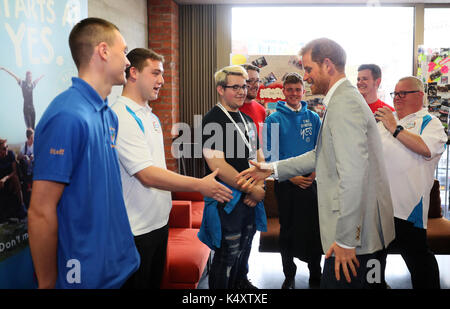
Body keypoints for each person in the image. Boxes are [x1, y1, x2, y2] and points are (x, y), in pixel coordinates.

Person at [237, 38, 395, 289]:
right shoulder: (340, 100)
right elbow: (320, 155)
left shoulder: (344, 104)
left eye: (309, 69)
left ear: (328, 65)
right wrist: (271, 169)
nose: (306, 77)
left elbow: (354, 176)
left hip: (351, 240)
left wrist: (345, 240)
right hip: (353, 235)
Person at [28, 17, 140, 289]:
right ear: (103, 51)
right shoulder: (67, 115)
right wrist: (46, 283)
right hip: (83, 276)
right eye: (123, 51)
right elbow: (40, 211)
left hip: (118, 265)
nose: (127, 61)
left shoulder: (106, 115)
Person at [111, 48, 232, 289]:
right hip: (135, 231)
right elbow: (146, 174)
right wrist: (199, 184)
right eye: (155, 73)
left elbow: (158, 170)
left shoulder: (151, 117)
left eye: (162, 74)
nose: (162, 80)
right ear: (133, 73)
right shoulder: (121, 115)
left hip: (158, 224)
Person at [375, 76, 447, 289]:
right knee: (374, 259)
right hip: (379, 206)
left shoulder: (430, 122)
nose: (397, 98)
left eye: (403, 93)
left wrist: (395, 128)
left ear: (420, 96)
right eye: (395, 93)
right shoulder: (385, 122)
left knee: (419, 261)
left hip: (408, 210)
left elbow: (426, 148)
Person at [200, 65, 267, 289]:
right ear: (220, 89)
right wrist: (252, 189)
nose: (242, 91)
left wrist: (259, 186)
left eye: (244, 86)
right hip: (227, 199)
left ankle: (240, 285)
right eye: (235, 87)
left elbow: (259, 158)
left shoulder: (247, 120)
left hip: (249, 198)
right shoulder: (212, 120)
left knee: (245, 248)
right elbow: (217, 164)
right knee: (227, 255)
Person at [264, 72, 322, 289]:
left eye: (298, 89)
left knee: (314, 229)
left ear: (303, 91)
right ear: (283, 92)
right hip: (286, 184)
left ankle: (316, 274)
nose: (294, 94)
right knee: (287, 229)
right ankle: (289, 274)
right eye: (290, 90)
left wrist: (314, 173)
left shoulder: (314, 118)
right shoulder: (273, 119)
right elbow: (271, 155)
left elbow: (321, 149)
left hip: (311, 182)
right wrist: (291, 175)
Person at [0, 138, 26, 223]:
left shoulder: (10, 154)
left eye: (7, 146)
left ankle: (22, 206)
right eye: (4, 148)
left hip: (10, 180)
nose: (6, 149)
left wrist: (5, 178)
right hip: (1, 182)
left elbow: (14, 172)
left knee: (15, 178)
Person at [240, 64, 266, 142]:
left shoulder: (261, 110)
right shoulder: (231, 109)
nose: (255, 85)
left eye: (257, 80)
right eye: (250, 81)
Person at [18, 128, 35, 207]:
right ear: (28, 137)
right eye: (31, 137)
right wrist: (24, 156)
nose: (32, 139)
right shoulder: (24, 146)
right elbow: (18, 157)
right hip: (25, 170)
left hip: (34, 169)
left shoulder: (35, 146)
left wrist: (33, 156)